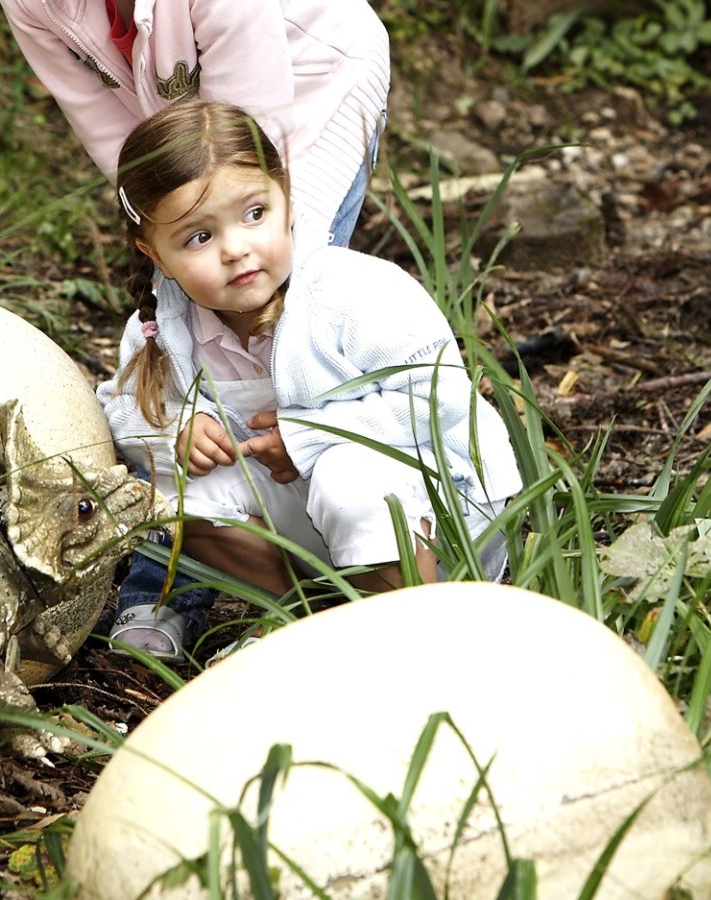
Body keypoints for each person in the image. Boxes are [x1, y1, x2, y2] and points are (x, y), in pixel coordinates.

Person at [1, 1, 392, 658]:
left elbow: (252, 147)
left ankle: (321, 595)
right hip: (184, 127)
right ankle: (169, 583)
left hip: (308, 85)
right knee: (176, 360)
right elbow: (107, 130)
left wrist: (213, 237)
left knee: (282, 314)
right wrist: (161, 228)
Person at [96, 100, 523, 658]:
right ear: (155, 254)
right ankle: (303, 619)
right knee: (171, 495)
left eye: (254, 214)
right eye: (198, 238)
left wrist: (305, 436)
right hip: (309, 538)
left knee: (351, 479)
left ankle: (411, 635)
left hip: (436, 524)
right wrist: (178, 428)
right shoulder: (161, 328)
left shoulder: (352, 294)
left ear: (286, 198)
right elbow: (122, 408)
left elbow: (440, 400)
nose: (236, 249)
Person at [0, 0, 390, 245]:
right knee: (191, 267)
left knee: (283, 258)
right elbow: (104, 127)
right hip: (185, 109)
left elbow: (249, 129)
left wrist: (213, 229)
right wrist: (159, 220)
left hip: (315, 71)